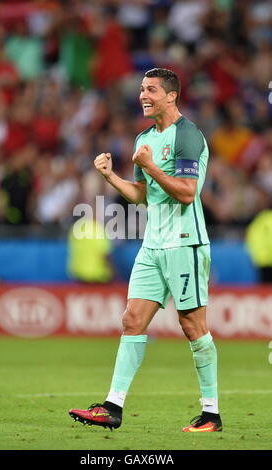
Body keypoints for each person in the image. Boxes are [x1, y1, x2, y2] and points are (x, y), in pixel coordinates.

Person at [69, 68, 222, 433]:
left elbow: (187, 193)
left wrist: (150, 165)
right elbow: (144, 195)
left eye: (151, 89)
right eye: (141, 89)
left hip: (184, 243)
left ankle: (212, 414)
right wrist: (112, 177)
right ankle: (112, 407)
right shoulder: (144, 137)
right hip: (152, 245)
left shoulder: (187, 135)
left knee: (192, 325)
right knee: (131, 320)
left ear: (172, 96)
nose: (143, 95)